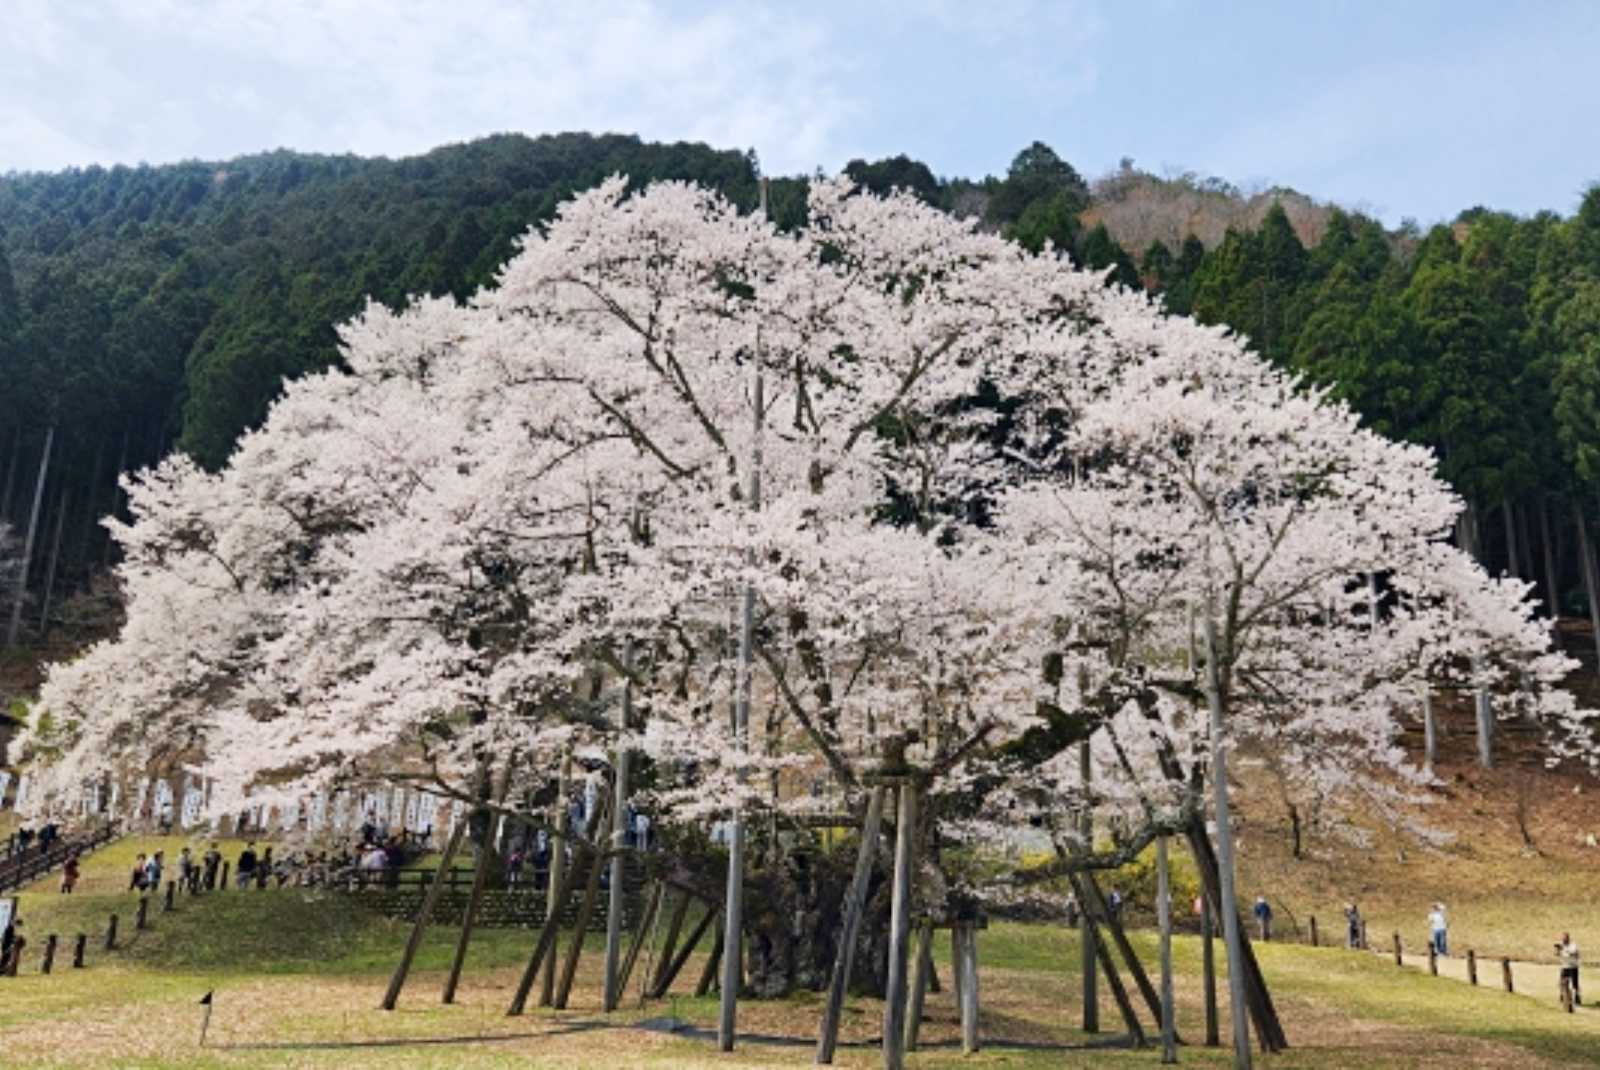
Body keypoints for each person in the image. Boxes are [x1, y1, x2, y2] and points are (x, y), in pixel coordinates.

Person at [1558, 933, 1581, 1006]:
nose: (1563, 940)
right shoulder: (1562, 945)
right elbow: (1557, 954)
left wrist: (1564, 949)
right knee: (1562, 982)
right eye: (1562, 939)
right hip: (1564, 966)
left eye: (1564, 939)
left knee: (1575, 984)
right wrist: (1558, 950)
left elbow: (1574, 953)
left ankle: (1576, 997)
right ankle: (1563, 996)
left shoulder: (1573, 945)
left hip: (1573, 966)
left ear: (1568, 938)